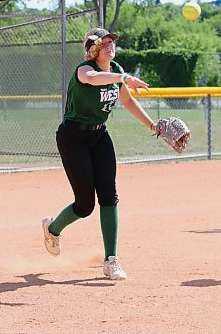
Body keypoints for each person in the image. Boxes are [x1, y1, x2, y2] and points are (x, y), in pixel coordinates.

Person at [42, 27, 157, 281]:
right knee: (85, 205)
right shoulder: (84, 69)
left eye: (111, 42)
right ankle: (52, 229)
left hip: (99, 136)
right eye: (104, 43)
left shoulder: (116, 70)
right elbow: (93, 79)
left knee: (109, 195)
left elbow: (127, 102)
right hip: (72, 138)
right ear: (93, 49)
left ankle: (111, 260)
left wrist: (153, 125)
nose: (109, 46)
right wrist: (123, 78)